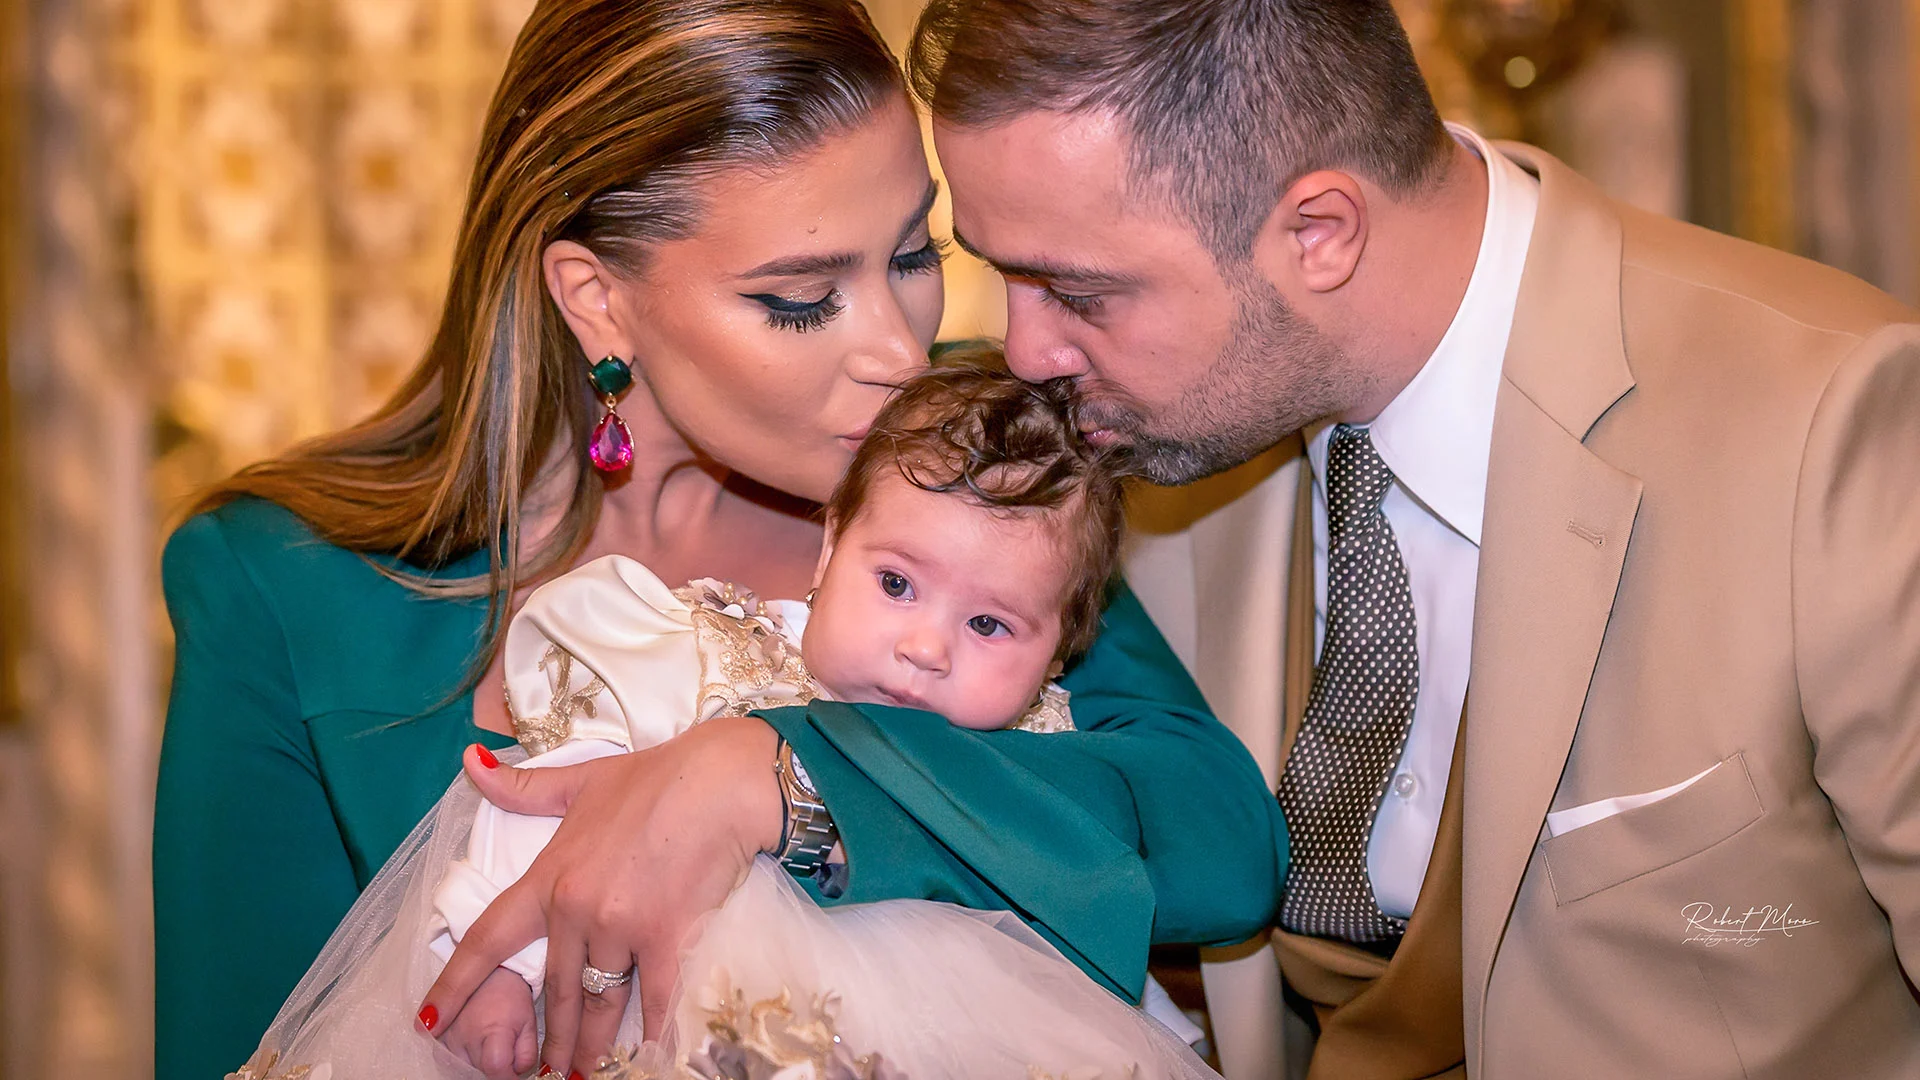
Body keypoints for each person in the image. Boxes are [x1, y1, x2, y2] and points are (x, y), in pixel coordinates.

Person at [155, 2, 1287, 1079]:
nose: (900, 354)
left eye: (913, 256)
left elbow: (1221, 845)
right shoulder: (282, 583)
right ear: (596, 298)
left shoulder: (969, 467)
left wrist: (778, 775)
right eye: (800, 299)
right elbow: (243, 1043)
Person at [906, 1, 1920, 1078]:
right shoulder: (1134, 448)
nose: (1028, 353)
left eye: (1078, 292)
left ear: (1320, 233)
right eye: (1001, 273)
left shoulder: (1834, 424)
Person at [239, 355, 1216, 1080]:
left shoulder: (1040, 748)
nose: (927, 645)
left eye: (990, 624)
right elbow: (560, 813)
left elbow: (1105, 916)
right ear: (831, 548)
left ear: (1061, 649)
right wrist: (499, 968)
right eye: (895, 583)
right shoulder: (708, 650)